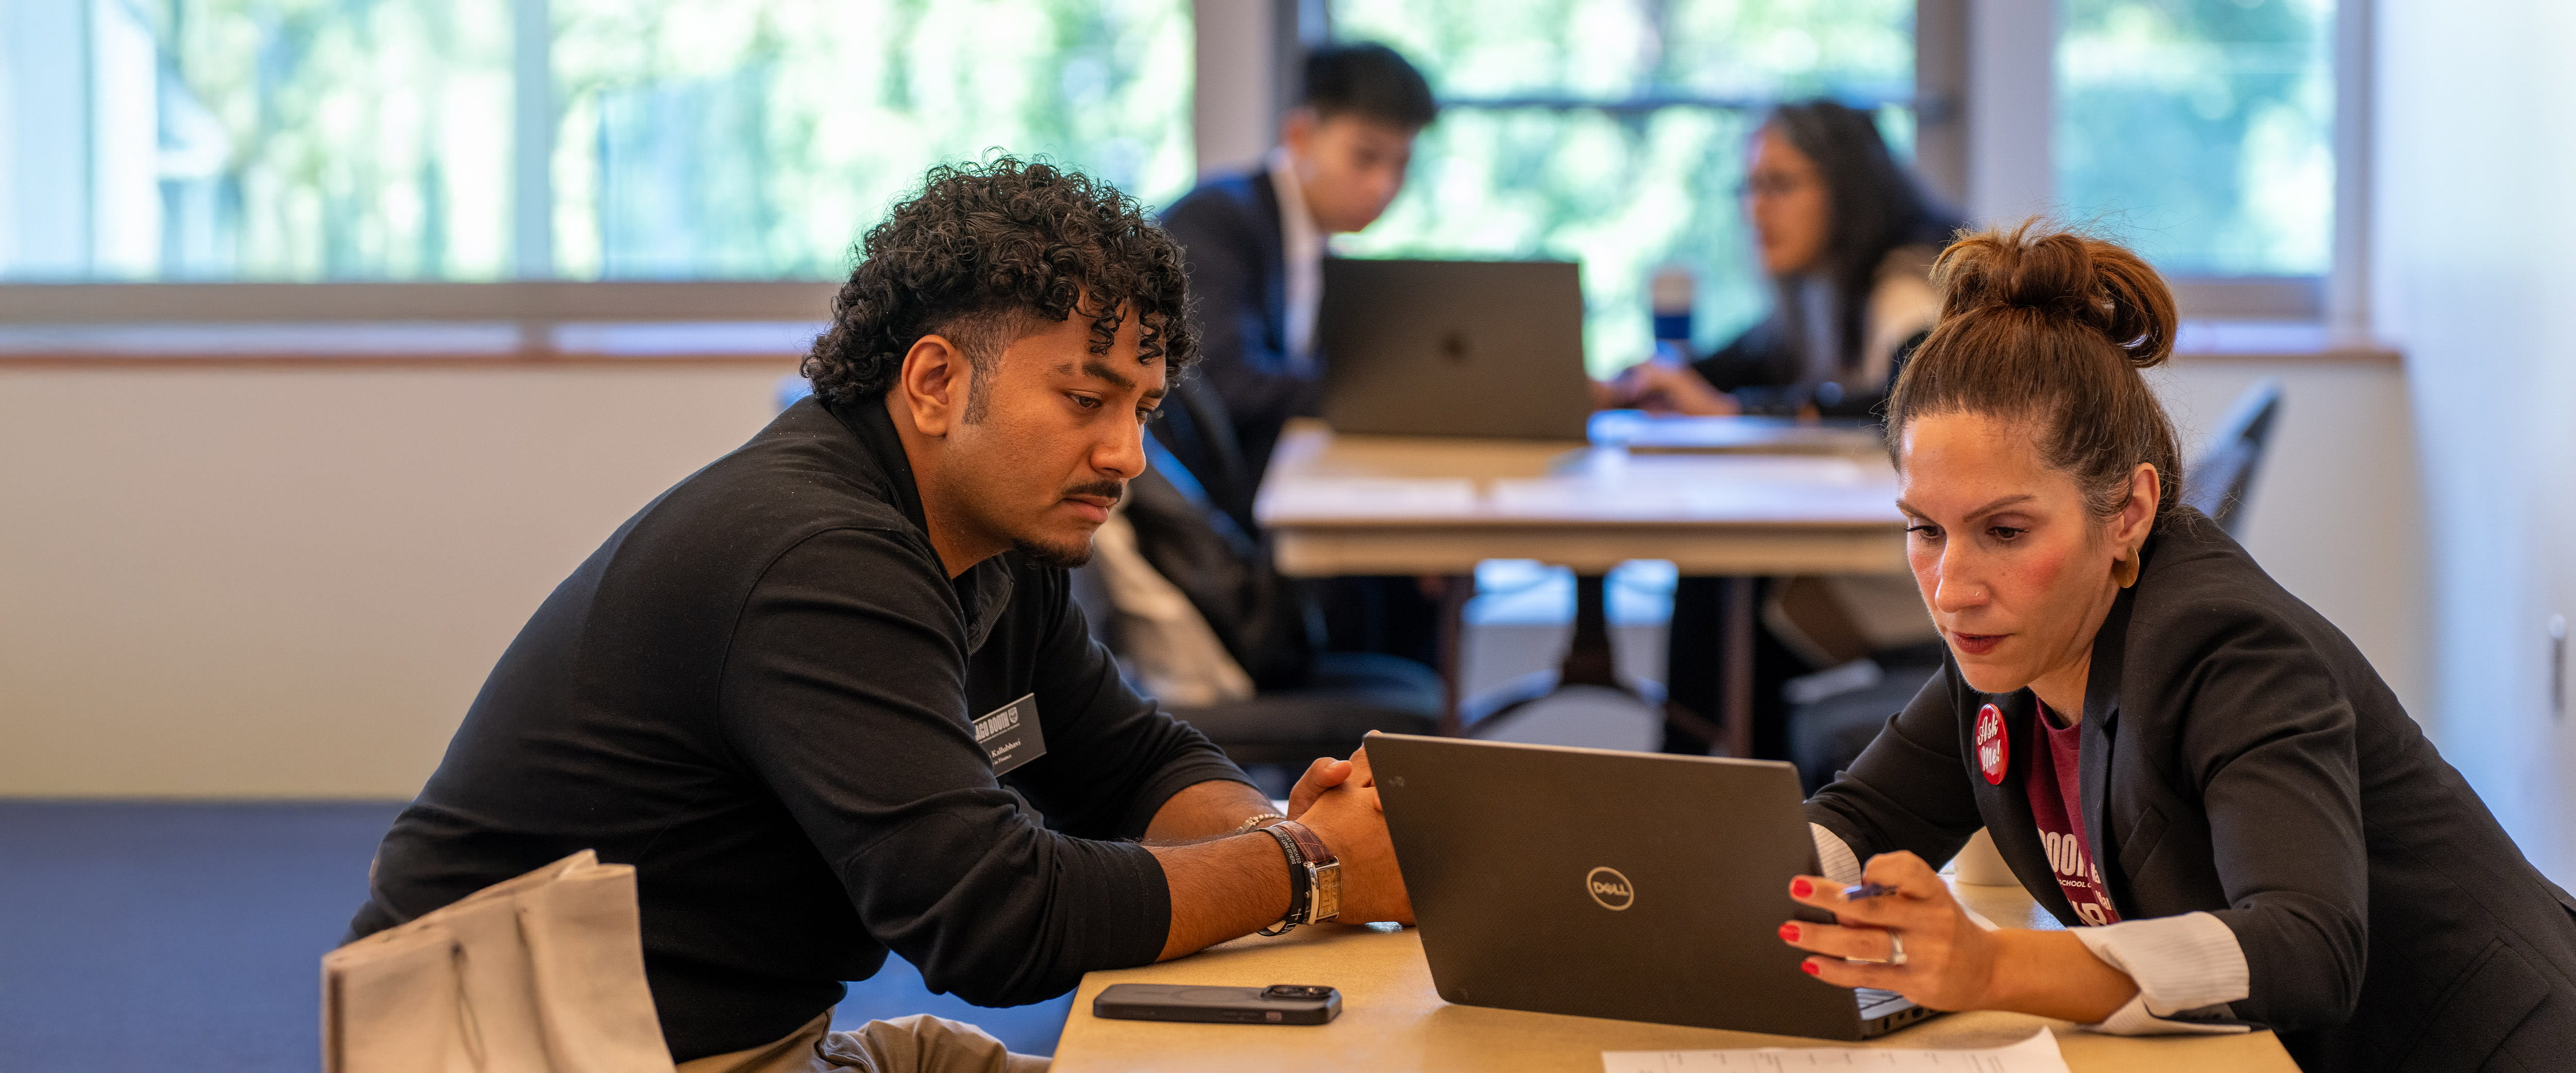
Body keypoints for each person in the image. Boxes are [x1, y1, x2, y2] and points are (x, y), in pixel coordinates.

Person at [344, 158, 1410, 1073]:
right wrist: (1311, 869)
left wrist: (1282, 838)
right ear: (936, 382)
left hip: (740, 1041)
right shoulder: (819, 560)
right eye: (1086, 401)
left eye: (1142, 409)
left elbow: (1125, 763)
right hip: (529, 1052)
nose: (1127, 455)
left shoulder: (997, 533)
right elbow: (995, 921)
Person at [1776, 222, 2576, 1070]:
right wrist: (1740, 889)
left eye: (2006, 530)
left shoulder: (2229, 650)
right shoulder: (2011, 645)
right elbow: (1860, 819)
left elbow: (2306, 946)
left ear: (2127, 512)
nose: (1952, 586)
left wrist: (1994, 963)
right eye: (1926, 529)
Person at [1612, 100, 1962, 760]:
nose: (1754, 209)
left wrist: (1733, 412)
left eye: (1779, 185)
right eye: (1749, 187)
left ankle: (1700, 795)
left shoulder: (1907, 278)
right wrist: (1624, 385)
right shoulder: (1822, 290)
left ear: (1846, 189)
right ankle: (1715, 797)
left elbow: (1905, 394)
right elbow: (1722, 367)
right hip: (1887, 557)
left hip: (1940, 572)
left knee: (1726, 591)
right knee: (1722, 582)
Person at [1156, 43, 1444, 672]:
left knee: (1424, 577)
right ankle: (1382, 749)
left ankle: (1401, 745)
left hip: (1259, 514)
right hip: (1211, 545)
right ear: (1299, 134)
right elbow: (1225, 383)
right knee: (1398, 584)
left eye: (1400, 165)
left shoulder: (1315, 254)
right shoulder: (1217, 223)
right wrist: (1390, 390)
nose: (1383, 186)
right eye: (1365, 157)